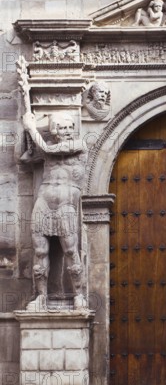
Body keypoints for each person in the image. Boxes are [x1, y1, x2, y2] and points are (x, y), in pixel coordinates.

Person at [21, 111, 88, 311]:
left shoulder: (78, 145)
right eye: (62, 128)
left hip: (66, 205)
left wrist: (31, 128)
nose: (67, 132)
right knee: (40, 251)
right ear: (54, 130)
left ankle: (79, 295)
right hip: (44, 201)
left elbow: (49, 151)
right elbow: (24, 158)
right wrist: (25, 136)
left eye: (70, 128)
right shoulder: (47, 148)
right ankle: (41, 296)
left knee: (69, 249)